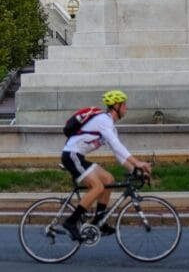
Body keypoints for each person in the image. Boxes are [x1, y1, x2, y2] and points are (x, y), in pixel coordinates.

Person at [60, 90, 152, 240]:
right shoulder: (103, 120)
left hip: (78, 156)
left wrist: (135, 170)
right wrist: (138, 162)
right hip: (71, 155)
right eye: (124, 105)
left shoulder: (110, 126)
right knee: (98, 187)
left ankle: (98, 222)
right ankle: (71, 222)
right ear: (116, 105)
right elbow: (117, 145)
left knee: (108, 179)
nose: (126, 108)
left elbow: (119, 155)